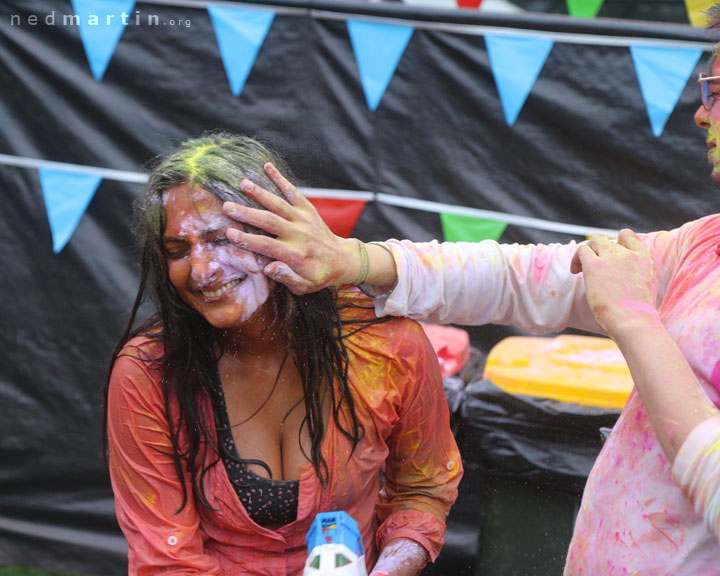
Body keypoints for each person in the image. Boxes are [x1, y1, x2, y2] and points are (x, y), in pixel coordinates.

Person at [219, 13, 720, 575]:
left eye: (718, 92)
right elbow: (519, 276)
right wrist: (352, 259)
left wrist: (635, 321)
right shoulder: (705, 244)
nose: (701, 112)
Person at [104, 133, 462, 575]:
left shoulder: (386, 345)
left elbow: (421, 490)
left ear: (278, 233)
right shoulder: (149, 373)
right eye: (178, 251)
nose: (201, 270)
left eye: (221, 239)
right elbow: (167, 558)